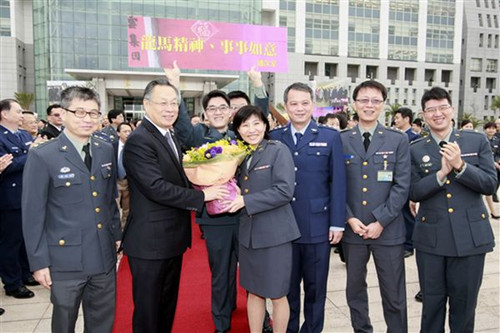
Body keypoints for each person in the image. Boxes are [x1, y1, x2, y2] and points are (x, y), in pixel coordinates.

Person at [122, 77, 228, 333]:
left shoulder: (168, 134)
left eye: (174, 103)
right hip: (150, 243)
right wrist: (204, 196)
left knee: (166, 307)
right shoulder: (140, 140)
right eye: (163, 103)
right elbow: (155, 187)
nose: (170, 109)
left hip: (170, 240)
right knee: (148, 312)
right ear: (146, 105)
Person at [22, 86, 122, 332]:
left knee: (102, 322)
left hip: (103, 255)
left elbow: (110, 199)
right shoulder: (44, 155)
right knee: (64, 322)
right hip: (64, 260)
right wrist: (39, 262)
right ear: (63, 114)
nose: (87, 119)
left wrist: (117, 235)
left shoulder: (105, 149)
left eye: (93, 113)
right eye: (79, 112)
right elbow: (33, 214)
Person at [410, 87, 497, 332]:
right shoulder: (416, 148)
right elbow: (413, 191)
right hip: (431, 241)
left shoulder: (476, 140)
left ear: (451, 110)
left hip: (470, 238)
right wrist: (440, 174)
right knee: (432, 307)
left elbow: (490, 184)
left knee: (465, 308)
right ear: (424, 115)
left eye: (442, 108)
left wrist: (460, 166)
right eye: (431, 110)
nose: (437, 114)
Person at [269, 82, 346, 333]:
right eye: (294, 103)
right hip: (283, 227)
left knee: (315, 289)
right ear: (286, 106)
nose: (299, 108)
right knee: (287, 290)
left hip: (317, 227)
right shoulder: (275, 137)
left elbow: (337, 182)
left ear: (312, 105)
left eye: (304, 103)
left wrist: (337, 222)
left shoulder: (330, 136)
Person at [340, 80, 410, 333]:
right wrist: (349, 218)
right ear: (354, 104)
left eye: (375, 101)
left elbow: (402, 186)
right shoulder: (342, 140)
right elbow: (336, 185)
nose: (369, 105)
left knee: (393, 294)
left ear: (383, 105)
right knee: (354, 291)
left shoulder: (397, 139)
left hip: (388, 231)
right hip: (354, 230)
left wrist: (381, 221)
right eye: (364, 100)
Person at [225, 105, 300, 332]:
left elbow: (284, 191)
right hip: (249, 235)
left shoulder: (278, 150)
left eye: (256, 123)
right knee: (254, 291)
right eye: (244, 125)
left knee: (277, 294)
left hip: (275, 235)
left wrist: (246, 201)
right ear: (237, 129)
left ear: (266, 124)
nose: (251, 129)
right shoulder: (239, 154)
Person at [0, 99, 39, 300]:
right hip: (10, 197)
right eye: (17, 111)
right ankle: (12, 282)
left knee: (25, 240)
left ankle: (26, 273)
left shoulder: (24, 134)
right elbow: (6, 166)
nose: (21, 115)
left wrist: (28, 155)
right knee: (11, 242)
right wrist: (31, 153)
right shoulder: (0, 137)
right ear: (4, 114)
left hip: (28, 194)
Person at [393, 107, 421, 258]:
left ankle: (409, 245)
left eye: (398, 118)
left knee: (408, 214)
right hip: (397, 180)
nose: (395, 121)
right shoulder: (395, 136)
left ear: (406, 119)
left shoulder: (415, 138)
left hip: (409, 180)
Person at [114, 122, 133, 229]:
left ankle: (124, 229)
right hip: (116, 182)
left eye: (129, 131)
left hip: (128, 182)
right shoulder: (111, 146)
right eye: (125, 131)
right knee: (115, 208)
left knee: (127, 208)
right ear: (118, 133)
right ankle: (115, 230)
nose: (128, 134)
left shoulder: (134, 147)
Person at [483, 122, 500, 218]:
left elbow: (497, 153)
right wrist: (493, 162)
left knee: (488, 188)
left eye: (493, 128)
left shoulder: (497, 140)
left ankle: (492, 211)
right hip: (482, 166)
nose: (491, 130)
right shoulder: (481, 139)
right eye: (489, 128)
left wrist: (496, 161)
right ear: (485, 129)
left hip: (492, 167)